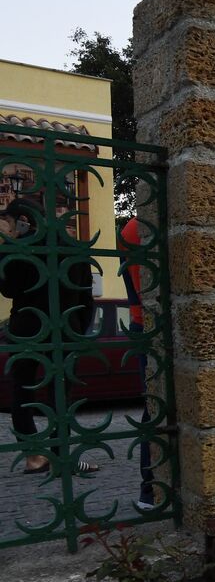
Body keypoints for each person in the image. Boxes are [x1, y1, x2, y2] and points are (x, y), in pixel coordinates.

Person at [0, 197, 98, 475]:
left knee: (23, 390)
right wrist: (79, 330)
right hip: (66, 329)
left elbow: (7, 290)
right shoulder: (72, 245)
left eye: (8, 222)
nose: (7, 228)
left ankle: (34, 456)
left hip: (26, 328)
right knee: (60, 395)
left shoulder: (17, 247)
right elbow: (86, 296)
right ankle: (63, 456)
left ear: (23, 221)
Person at [119, 216, 157, 508]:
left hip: (139, 322)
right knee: (157, 409)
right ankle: (151, 490)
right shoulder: (143, 226)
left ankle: (150, 491)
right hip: (151, 324)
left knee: (153, 408)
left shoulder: (128, 229)